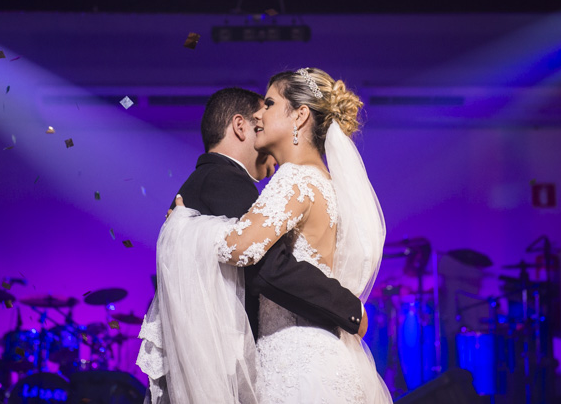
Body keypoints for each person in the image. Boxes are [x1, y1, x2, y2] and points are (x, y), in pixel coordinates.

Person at [146, 71, 391, 403]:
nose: (259, 113)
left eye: (270, 103)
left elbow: (243, 250)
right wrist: (350, 310)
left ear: (300, 115)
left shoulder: (294, 176)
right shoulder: (325, 181)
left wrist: (184, 225)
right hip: (322, 356)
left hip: (297, 362)